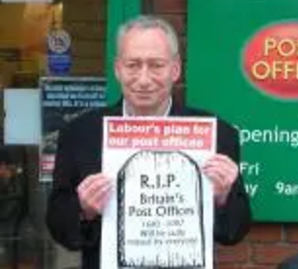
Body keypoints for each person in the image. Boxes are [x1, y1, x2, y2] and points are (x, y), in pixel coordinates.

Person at [46, 15, 252, 268]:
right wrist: (83, 209)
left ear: (175, 69)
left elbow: (235, 232)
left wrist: (223, 196)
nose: (143, 79)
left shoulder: (216, 135)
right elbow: (57, 225)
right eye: (133, 65)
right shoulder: (79, 133)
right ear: (117, 69)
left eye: (156, 65)